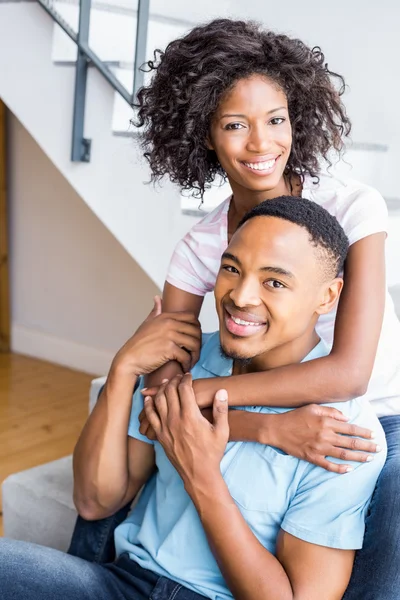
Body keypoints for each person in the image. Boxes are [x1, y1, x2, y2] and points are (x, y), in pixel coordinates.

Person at [71, 19, 400, 599]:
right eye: (234, 125)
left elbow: (350, 373)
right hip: (254, 399)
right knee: (118, 427)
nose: (261, 143)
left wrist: (198, 396)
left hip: (372, 408)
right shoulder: (199, 246)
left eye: (276, 120)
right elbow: (158, 409)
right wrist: (261, 429)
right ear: (204, 133)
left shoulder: (351, 208)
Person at [0, 197, 387, 600]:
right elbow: (96, 501)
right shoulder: (188, 361)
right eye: (231, 269)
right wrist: (123, 370)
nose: (241, 296)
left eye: (274, 282)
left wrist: (201, 475)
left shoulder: (343, 433)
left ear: (327, 297)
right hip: (122, 584)